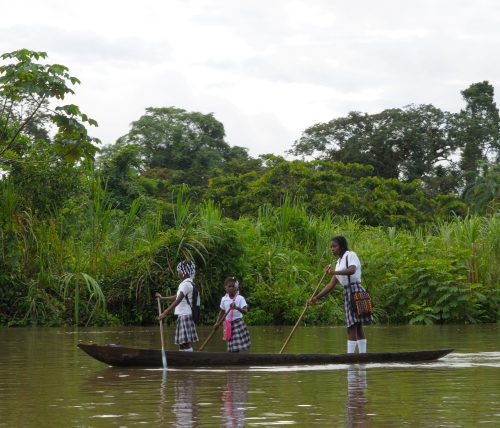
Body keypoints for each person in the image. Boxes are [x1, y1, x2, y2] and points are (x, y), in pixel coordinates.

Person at [308, 236, 373, 353]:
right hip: (348, 292)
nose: (332, 249)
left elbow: (352, 270)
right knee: (357, 326)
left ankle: (352, 358)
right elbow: (331, 284)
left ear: (342, 246)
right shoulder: (339, 262)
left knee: (352, 327)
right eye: (331, 247)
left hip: (355, 291)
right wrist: (316, 298)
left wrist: (333, 272)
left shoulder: (350, 255)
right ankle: (362, 357)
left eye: (334, 246)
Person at [156, 260, 199, 352]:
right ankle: (182, 361)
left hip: (186, 315)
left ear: (184, 272)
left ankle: (189, 360)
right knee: (181, 343)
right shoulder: (186, 284)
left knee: (185, 342)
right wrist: (162, 298)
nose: (178, 273)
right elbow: (177, 297)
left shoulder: (186, 284)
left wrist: (165, 312)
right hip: (182, 315)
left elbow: (178, 300)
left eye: (179, 271)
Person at [214, 277, 251, 353]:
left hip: (238, 324)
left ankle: (235, 359)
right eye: (229, 286)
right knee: (231, 346)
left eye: (233, 286)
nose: (231, 288)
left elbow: (245, 311)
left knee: (235, 347)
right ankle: (232, 360)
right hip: (228, 325)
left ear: (237, 288)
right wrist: (217, 323)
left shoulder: (240, 298)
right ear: (225, 288)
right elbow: (222, 312)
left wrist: (237, 308)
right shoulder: (224, 299)